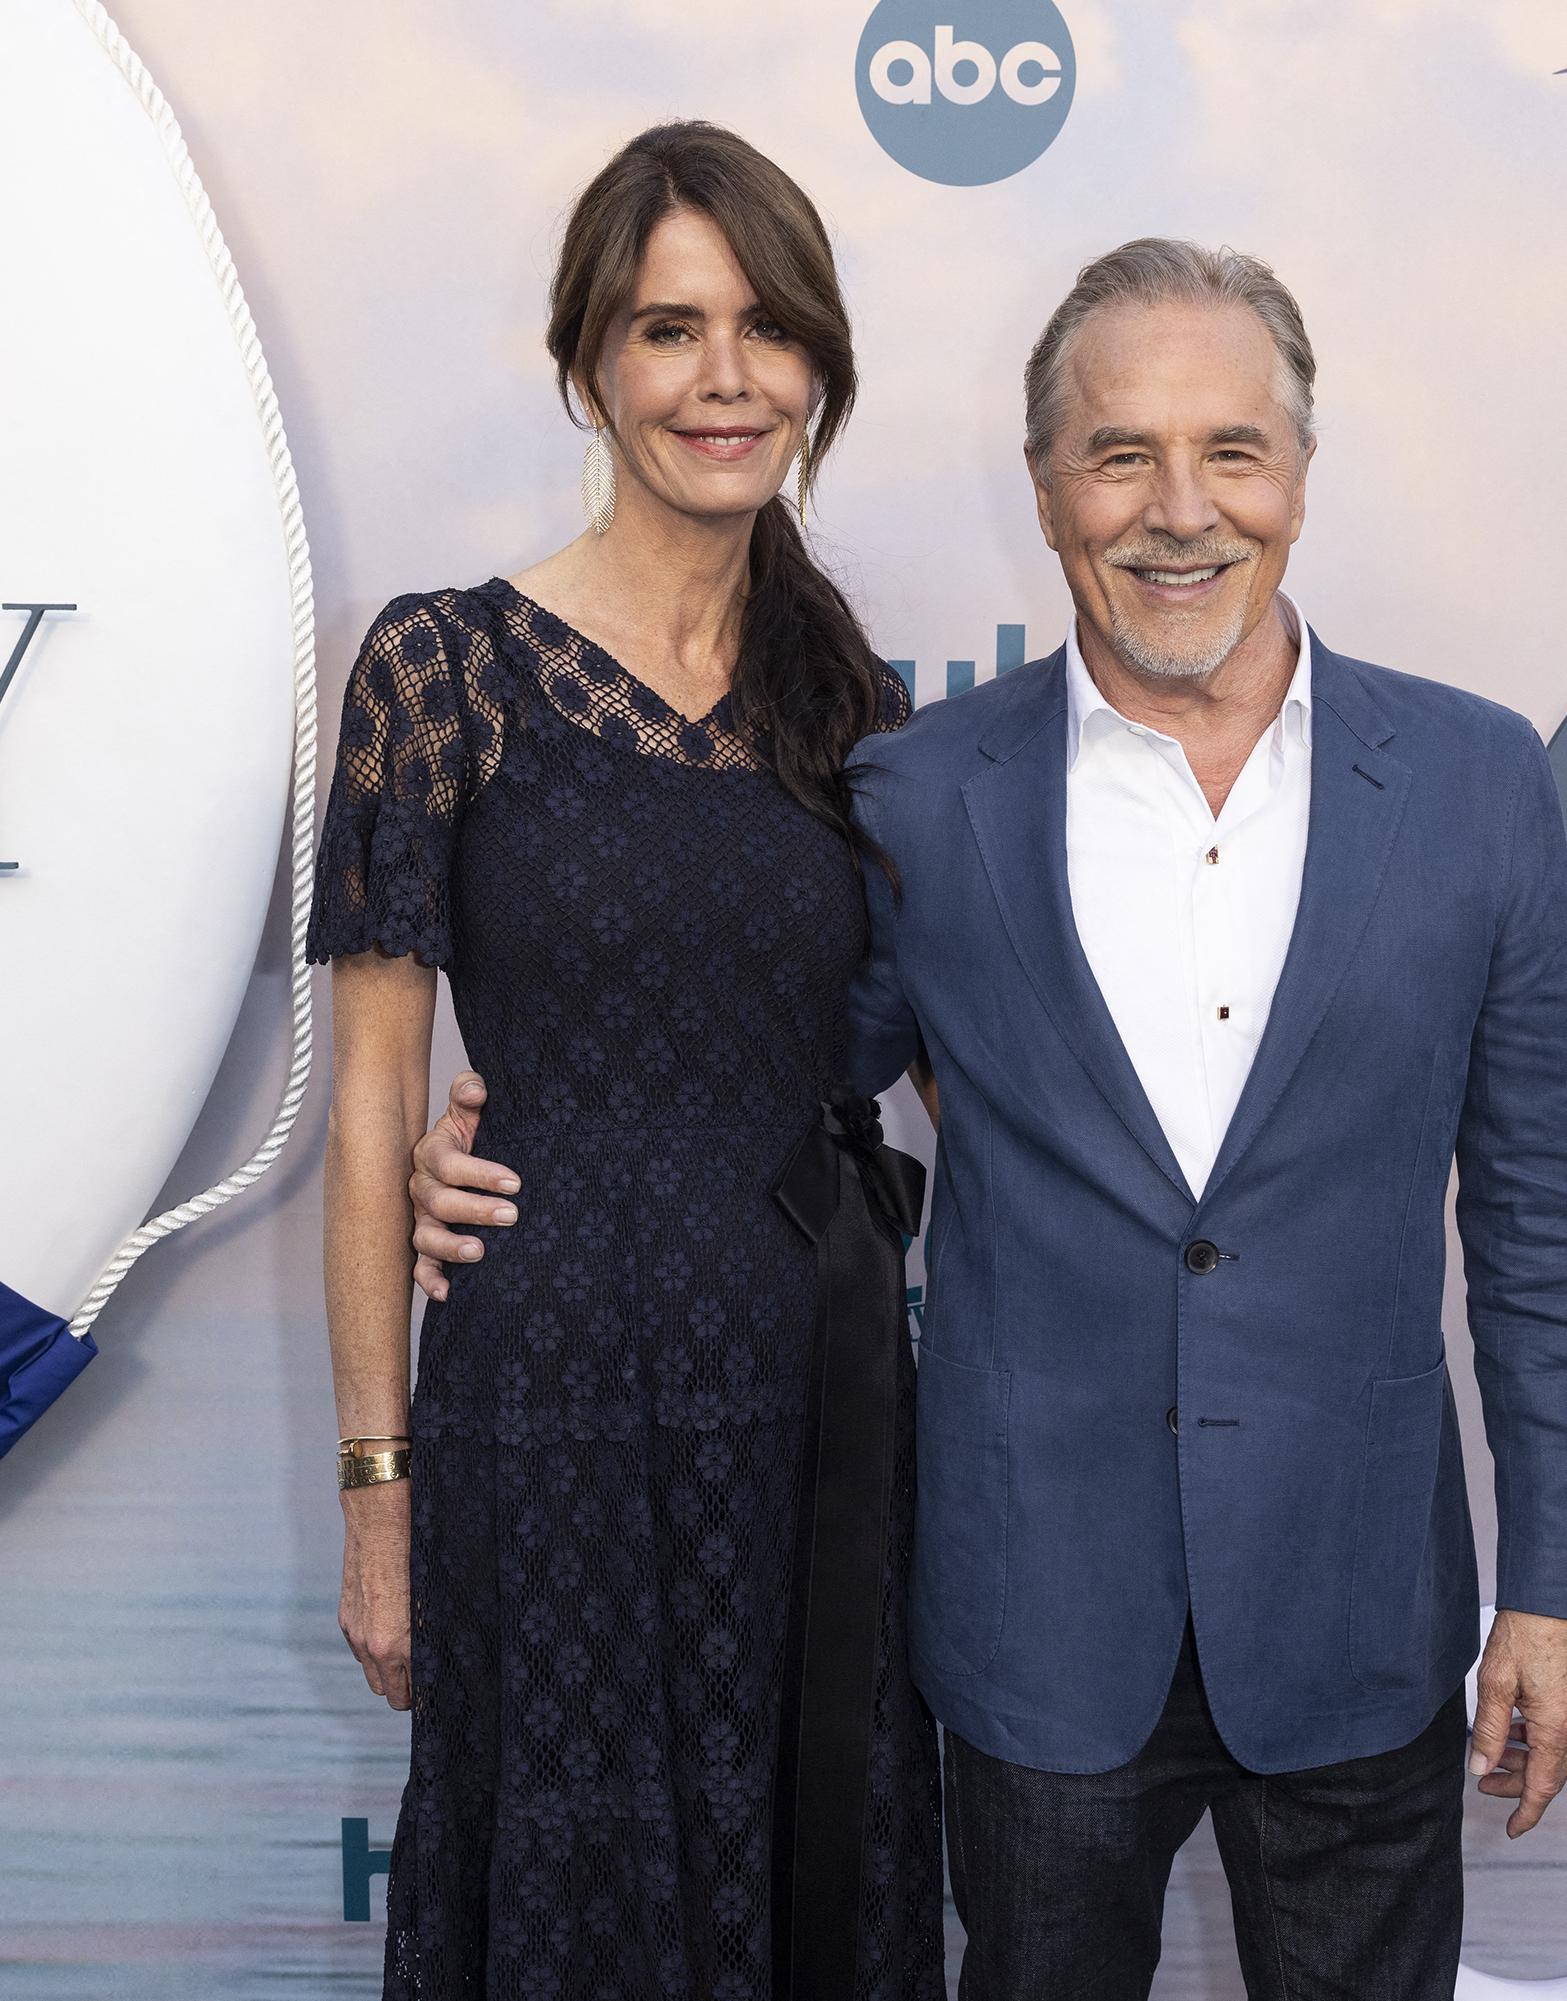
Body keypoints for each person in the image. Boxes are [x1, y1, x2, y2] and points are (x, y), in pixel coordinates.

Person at [417, 239, 1567, 1998]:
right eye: (1120, 453)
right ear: (1047, 489)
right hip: (1033, 1627)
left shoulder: (1474, 778)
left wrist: (1561, 1581)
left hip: (1360, 1615)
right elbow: (766, 1069)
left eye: (1231, 450)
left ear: (1299, 474)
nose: (1178, 510)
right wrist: (513, 1121)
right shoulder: (919, 793)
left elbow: (1544, 1225)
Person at [309, 122, 942, 2001]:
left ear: (819, 367)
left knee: (813, 1869)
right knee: (564, 1882)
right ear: (590, 360)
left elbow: (916, 1072)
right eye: (670, 330)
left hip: (813, 1406)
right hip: (544, 1398)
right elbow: (372, 1107)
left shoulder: (859, 707)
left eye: (766, 330)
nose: (722, 379)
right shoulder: (444, 669)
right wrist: (377, 1492)